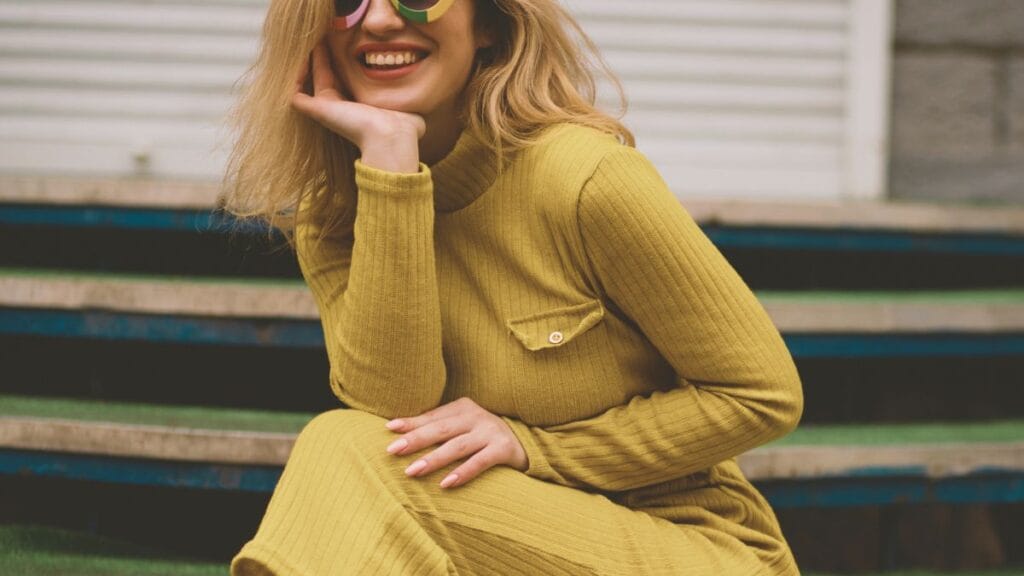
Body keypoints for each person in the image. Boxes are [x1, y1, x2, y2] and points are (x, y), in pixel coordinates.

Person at [221, 0, 804, 573]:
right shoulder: (338, 215)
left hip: (690, 547)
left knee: (344, 446)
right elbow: (397, 410)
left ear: (490, 25)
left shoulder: (584, 178)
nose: (376, 19)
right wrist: (391, 165)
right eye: (346, 1)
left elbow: (759, 396)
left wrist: (539, 448)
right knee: (358, 446)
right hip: (499, 539)